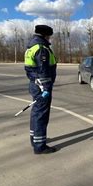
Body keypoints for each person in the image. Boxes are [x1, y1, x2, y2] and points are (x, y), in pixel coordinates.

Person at [24, 25, 57, 154]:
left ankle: (35, 139)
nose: (50, 38)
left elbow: (29, 69)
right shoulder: (41, 49)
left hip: (34, 84)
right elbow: (43, 71)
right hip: (41, 87)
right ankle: (40, 146)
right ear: (44, 35)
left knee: (36, 113)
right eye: (49, 36)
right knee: (41, 115)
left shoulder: (31, 47)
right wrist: (46, 89)